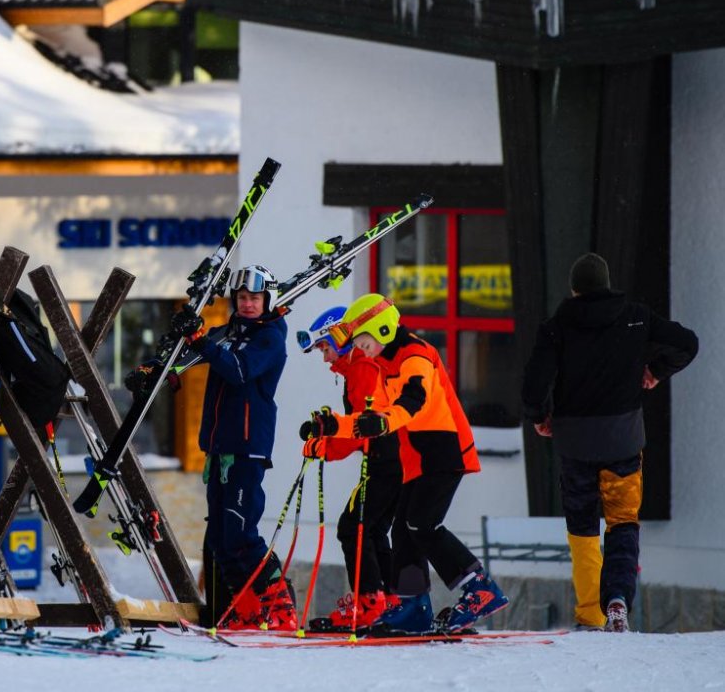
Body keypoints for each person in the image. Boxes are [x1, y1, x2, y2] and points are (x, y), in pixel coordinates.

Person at [303, 293, 507, 634]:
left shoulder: (415, 354)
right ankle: (413, 605)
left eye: (362, 341)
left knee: (422, 525)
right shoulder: (385, 362)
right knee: (403, 530)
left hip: (443, 450)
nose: (360, 349)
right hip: (415, 457)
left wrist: (380, 423)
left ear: (380, 330)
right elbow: (370, 417)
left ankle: (479, 588)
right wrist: (332, 427)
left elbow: (414, 402)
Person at [522, 252, 697, 633]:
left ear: (574, 289)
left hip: (575, 444)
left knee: (583, 529)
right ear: (606, 284)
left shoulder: (556, 327)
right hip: (623, 441)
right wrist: (656, 371)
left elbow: (534, 383)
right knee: (622, 523)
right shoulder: (636, 317)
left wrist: (540, 417)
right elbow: (687, 343)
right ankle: (618, 598)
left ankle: (590, 613)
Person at [186, 264, 292, 630]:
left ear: (268, 299)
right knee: (219, 536)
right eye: (242, 298)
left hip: (248, 447)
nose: (247, 304)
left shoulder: (270, 338)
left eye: (255, 298)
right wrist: (161, 366)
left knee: (241, 533)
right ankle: (246, 606)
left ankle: (279, 605)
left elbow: (239, 370)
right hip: (219, 447)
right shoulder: (228, 332)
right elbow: (191, 354)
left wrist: (202, 344)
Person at [295, 307, 403, 631]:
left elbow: (361, 428)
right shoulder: (356, 368)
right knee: (370, 530)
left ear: (340, 339)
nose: (325, 359)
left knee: (352, 528)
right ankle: (389, 600)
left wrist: (323, 447)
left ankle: (369, 603)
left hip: (385, 460)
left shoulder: (362, 368)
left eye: (325, 348)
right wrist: (326, 430)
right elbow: (353, 427)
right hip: (387, 460)